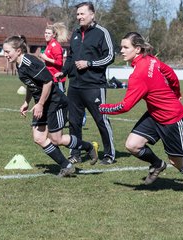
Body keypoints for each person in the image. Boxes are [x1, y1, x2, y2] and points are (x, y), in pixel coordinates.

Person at [99, 32, 183, 193]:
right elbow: (171, 75)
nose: (121, 51)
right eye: (121, 47)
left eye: (125, 47)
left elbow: (125, 106)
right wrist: (176, 93)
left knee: (176, 161)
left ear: (137, 49)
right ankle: (157, 164)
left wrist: (102, 108)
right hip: (154, 115)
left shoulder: (138, 75)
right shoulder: (151, 60)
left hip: (172, 118)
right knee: (132, 145)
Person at [3, 35, 98, 177]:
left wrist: (40, 104)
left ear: (18, 51)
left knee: (56, 139)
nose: (5, 55)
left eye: (7, 51)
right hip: (42, 104)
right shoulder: (19, 64)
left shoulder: (30, 62)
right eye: (4, 52)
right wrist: (26, 102)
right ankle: (66, 166)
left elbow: (47, 82)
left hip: (55, 103)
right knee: (39, 138)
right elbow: (31, 84)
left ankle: (88, 147)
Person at [55, 2, 116, 165]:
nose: (79, 17)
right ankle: (75, 154)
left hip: (94, 85)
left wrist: (89, 63)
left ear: (92, 14)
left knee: (101, 120)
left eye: (82, 14)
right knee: (74, 122)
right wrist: (64, 71)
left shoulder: (102, 33)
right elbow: (70, 57)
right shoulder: (75, 33)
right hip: (74, 85)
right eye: (78, 14)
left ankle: (109, 154)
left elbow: (110, 56)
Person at [39, 22, 68, 92]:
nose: (46, 35)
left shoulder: (55, 46)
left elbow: (59, 62)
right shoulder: (49, 45)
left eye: (49, 33)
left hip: (57, 79)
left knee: (58, 102)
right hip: (50, 78)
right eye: (45, 33)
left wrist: (46, 58)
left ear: (54, 35)